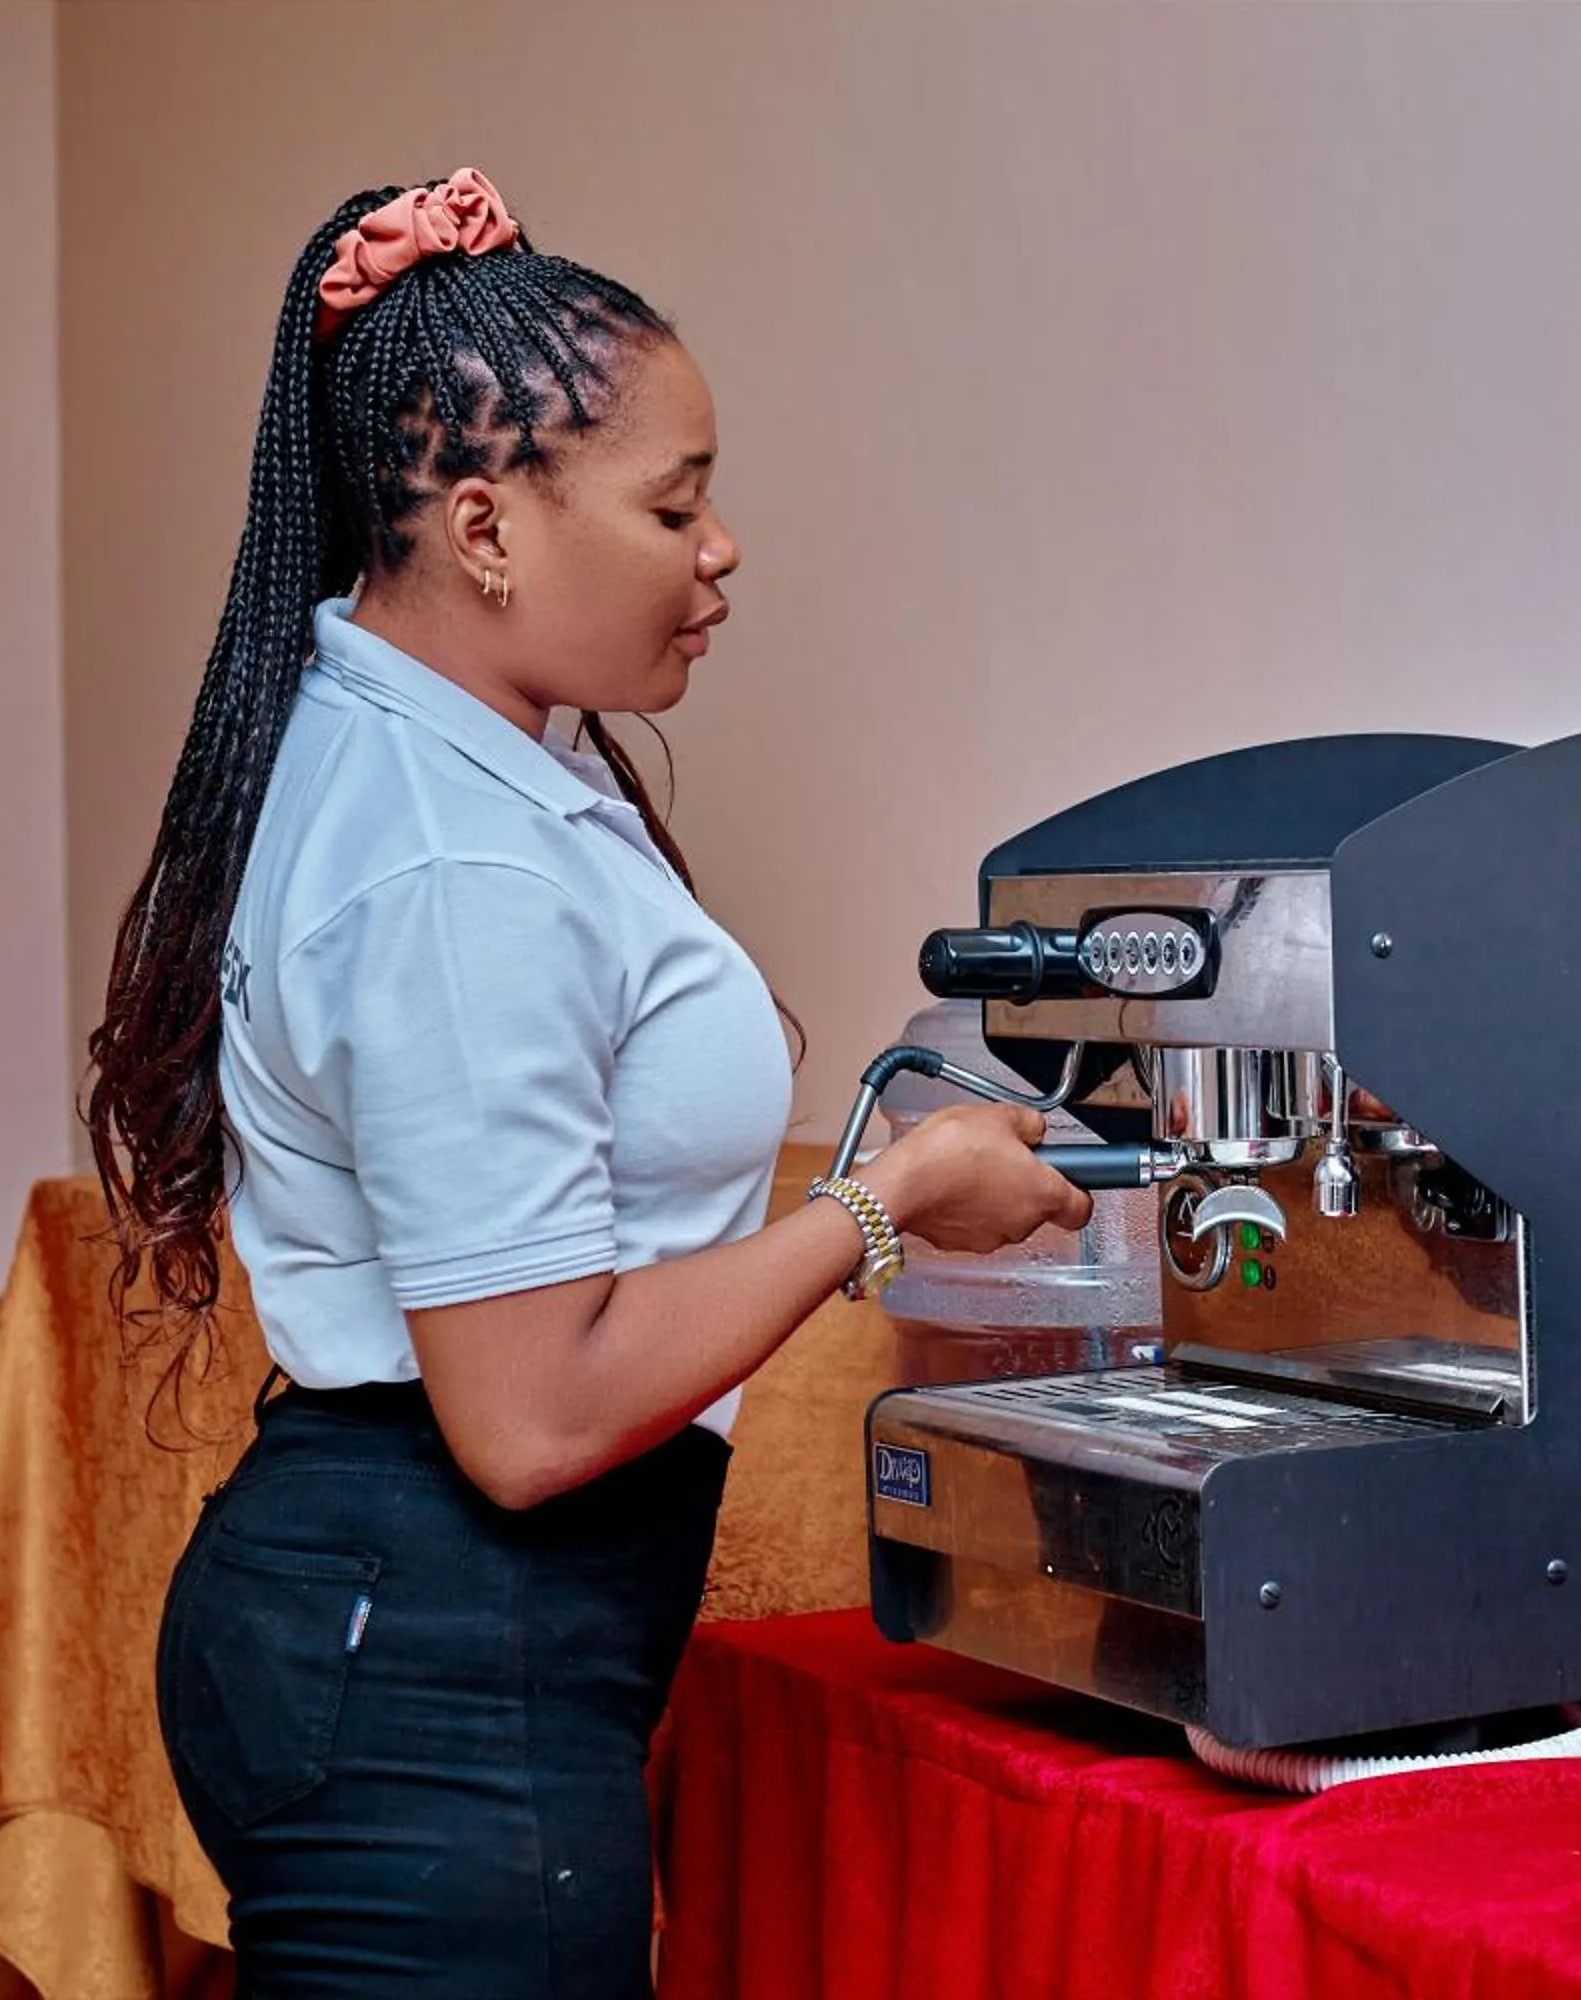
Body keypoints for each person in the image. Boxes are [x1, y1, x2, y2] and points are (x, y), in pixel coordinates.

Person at [81, 169, 1088, 1997]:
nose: (721, 551)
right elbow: (530, 1420)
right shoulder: (450, 863)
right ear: (485, 524)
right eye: (674, 502)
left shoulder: (456, 759)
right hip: (439, 1664)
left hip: (398, 1635)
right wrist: (891, 1203)